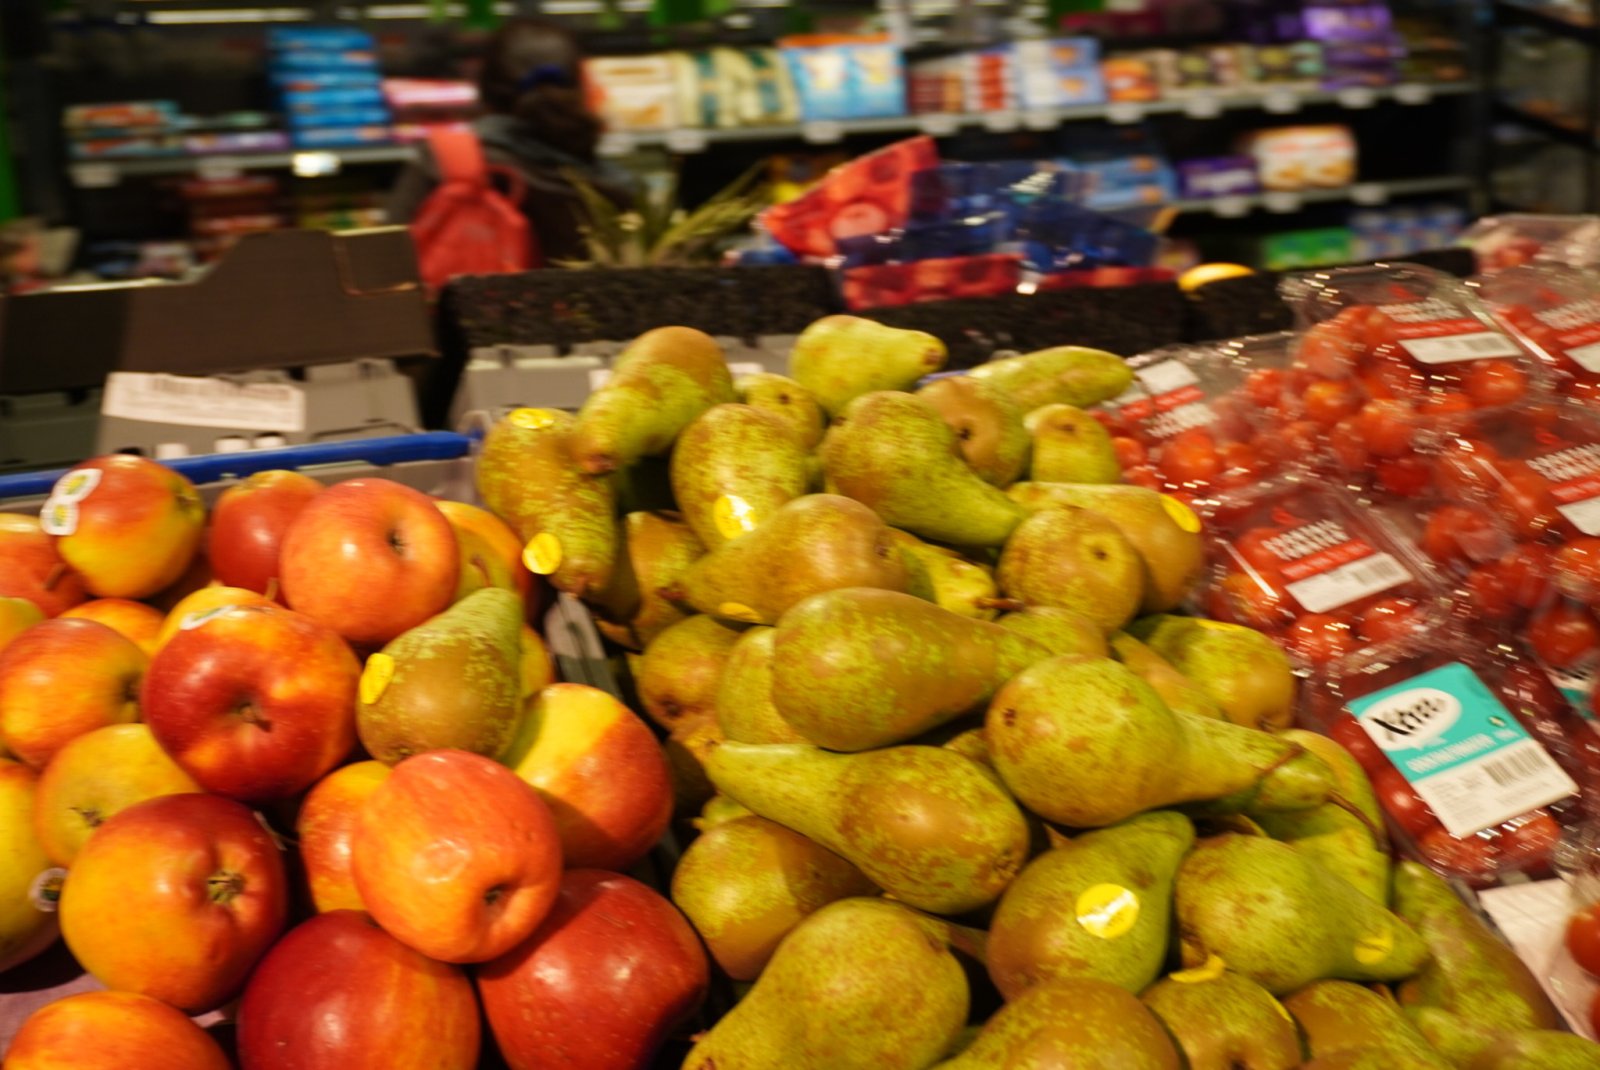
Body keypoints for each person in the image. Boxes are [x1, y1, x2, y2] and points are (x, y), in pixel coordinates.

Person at [386, 19, 634, 265]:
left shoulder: (446, 160)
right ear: (581, 88)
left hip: (467, 292)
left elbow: (385, 258)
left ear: (485, 87)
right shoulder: (614, 188)